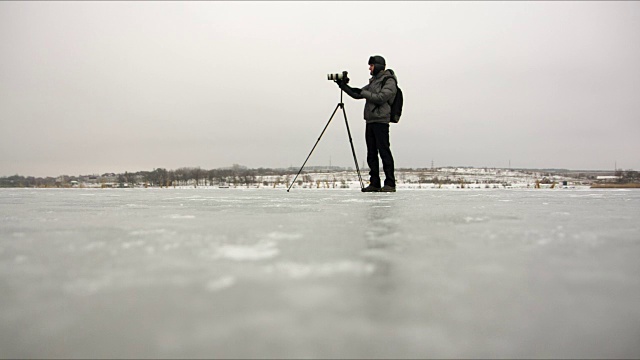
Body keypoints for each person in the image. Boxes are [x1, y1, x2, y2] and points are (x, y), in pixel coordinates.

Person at [336, 55, 398, 192]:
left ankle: (390, 183)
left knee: (384, 151)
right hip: (370, 121)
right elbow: (358, 94)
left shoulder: (389, 81)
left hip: (381, 121)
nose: (369, 68)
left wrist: (364, 93)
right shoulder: (374, 82)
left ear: (378, 66)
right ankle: (374, 183)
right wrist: (343, 85)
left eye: (371, 65)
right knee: (371, 154)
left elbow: (381, 98)